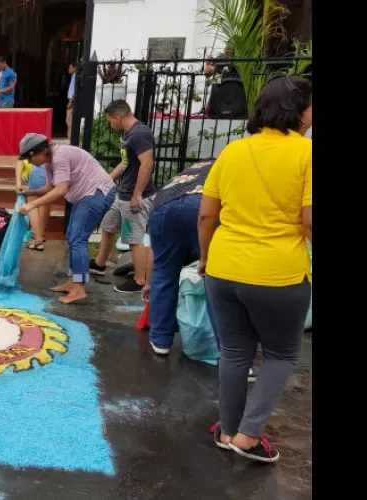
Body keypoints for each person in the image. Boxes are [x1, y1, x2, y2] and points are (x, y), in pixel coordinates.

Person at [200, 76, 312, 464]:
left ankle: (228, 429)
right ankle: (248, 436)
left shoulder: (232, 151)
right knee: (281, 354)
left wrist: (204, 258)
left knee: (234, 351)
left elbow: (206, 214)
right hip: (278, 274)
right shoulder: (306, 153)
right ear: (299, 111)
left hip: (224, 267)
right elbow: (310, 219)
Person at [18, 134, 116, 304]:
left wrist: (32, 205)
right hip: (85, 195)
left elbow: (60, 190)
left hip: (97, 193)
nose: (29, 162)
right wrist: (29, 193)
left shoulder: (60, 156)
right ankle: (73, 282)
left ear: (41, 151)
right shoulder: (49, 162)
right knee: (72, 237)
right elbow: (50, 187)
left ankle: (79, 288)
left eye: (30, 157)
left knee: (78, 238)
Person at [140, 160, 215, 355]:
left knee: (164, 274)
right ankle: (230, 349)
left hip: (163, 207)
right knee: (216, 280)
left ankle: (160, 340)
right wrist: (205, 258)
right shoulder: (231, 167)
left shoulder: (196, 168)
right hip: (203, 207)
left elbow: (155, 253)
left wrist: (150, 282)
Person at [91, 100, 156, 294]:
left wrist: (137, 194)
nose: (111, 125)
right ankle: (100, 263)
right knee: (108, 225)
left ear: (117, 117)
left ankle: (140, 280)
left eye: (110, 121)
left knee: (133, 237)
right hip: (123, 194)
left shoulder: (140, 134)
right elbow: (126, 162)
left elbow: (147, 164)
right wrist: (108, 179)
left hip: (134, 197)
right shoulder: (129, 134)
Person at [15, 159, 51, 251]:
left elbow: (20, 159)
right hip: (49, 167)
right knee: (45, 201)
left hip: (39, 169)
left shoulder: (29, 148)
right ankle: (40, 235)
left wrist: (18, 183)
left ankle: (38, 240)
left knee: (32, 202)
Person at [67, 61, 78, 140]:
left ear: (75, 68)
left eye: (70, 67)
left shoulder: (76, 77)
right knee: (68, 121)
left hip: (72, 102)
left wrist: (71, 101)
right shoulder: (73, 76)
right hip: (71, 101)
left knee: (69, 121)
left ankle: (70, 139)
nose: (69, 69)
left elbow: (75, 90)